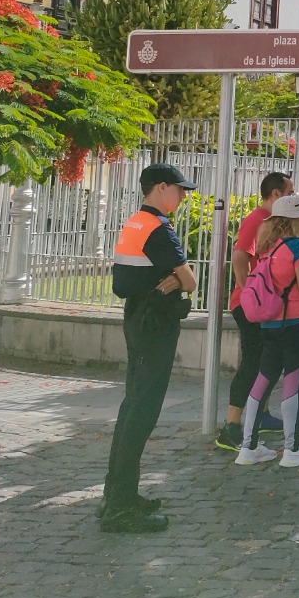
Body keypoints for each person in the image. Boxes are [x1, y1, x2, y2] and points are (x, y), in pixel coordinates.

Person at [100, 164, 199, 534]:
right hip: (154, 324)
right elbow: (189, 280)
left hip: (137, 318)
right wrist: (178, 280)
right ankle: (121, 507)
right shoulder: (158, 228)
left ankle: (115, 496)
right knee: (142, 412)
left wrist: (171, 280)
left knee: (132, 407)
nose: (183, 196)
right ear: (160, 188)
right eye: (179, 189)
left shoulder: (135, 222)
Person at [235, 195, 299, 467]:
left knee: (262, 381)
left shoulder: (267, 247)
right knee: (292, 383)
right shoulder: (298, 247)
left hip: (270, 322)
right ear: (295, 220)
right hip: (297, 322)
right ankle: (292, 449)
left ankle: (248, 447)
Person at [216, 171, 291, 452]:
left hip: (263, 304)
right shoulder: (257, 218)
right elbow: (239, 256)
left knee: (268, 361)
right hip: (249, 305)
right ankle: (231, 426)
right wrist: (248, 291)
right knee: (253, 362)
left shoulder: (270, 221)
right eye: (289, 193)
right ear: (275, 194)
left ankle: (260, 414)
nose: (293, 197)